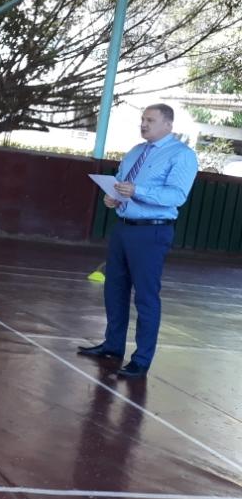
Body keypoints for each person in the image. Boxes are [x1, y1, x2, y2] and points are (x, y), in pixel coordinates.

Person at [78, 104, 198, 378]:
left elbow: (176, 196)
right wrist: (113, 197)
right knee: (114, 290)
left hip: (151, 232)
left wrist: (137, 190)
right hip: (123, 228)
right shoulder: (135, 151)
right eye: (143, 119)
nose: (143, 124)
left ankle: (141, 360)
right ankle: (112, 345)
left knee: (145, 296)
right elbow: (121, 183)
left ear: (168, 125)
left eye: (150, 120)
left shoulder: (182, 155)